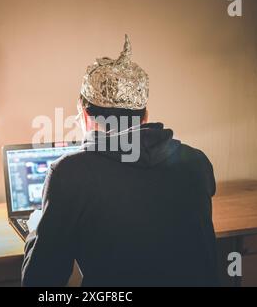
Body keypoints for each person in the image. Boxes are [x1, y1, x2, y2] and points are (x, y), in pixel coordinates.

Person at [22, 35, 218, 287]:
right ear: (145, 116)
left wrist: (38, 227)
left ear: (83, 114)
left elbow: (40, 284)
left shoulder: (71, 174)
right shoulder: (196, 162)